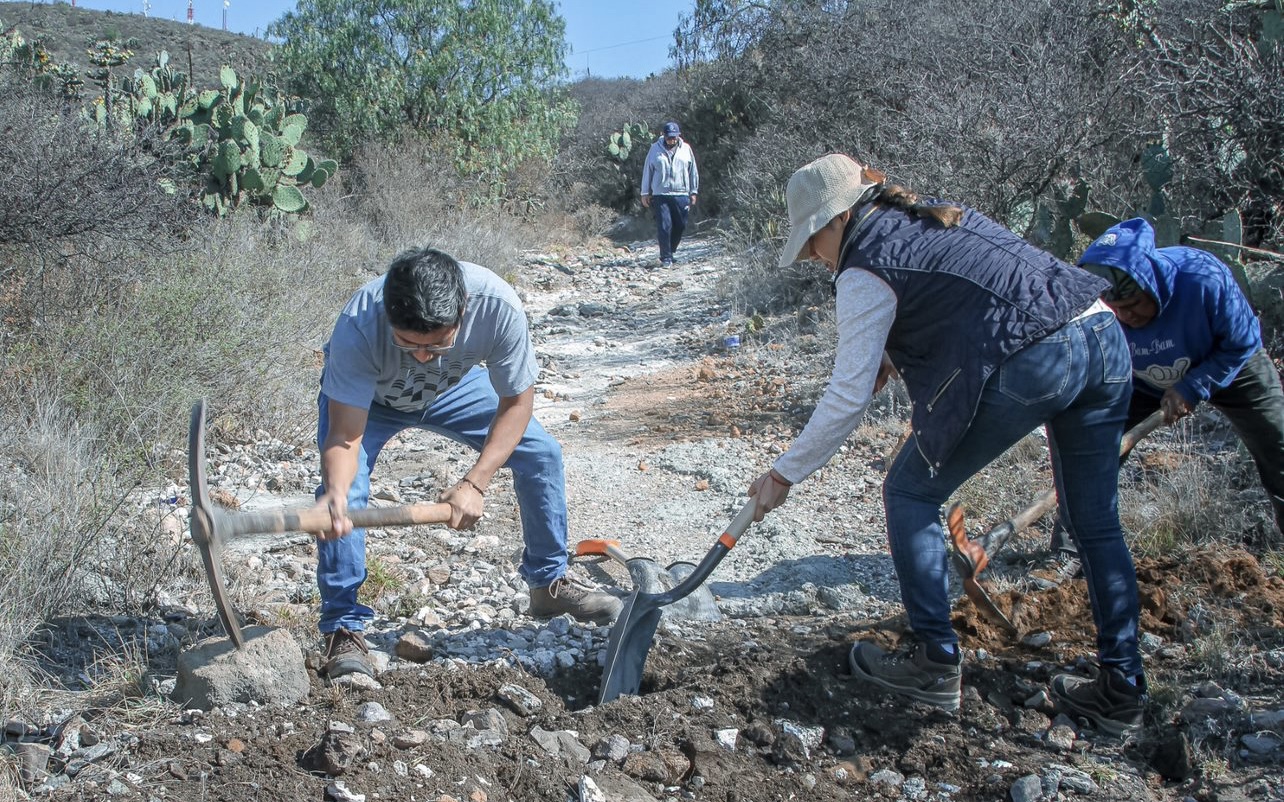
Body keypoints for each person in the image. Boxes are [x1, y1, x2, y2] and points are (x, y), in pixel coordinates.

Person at [746, 153, 1148, 735]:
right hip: (1102, 337)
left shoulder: (864, 265)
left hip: (1038, 358)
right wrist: (888, 355)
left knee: (909, 492)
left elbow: (845, 397)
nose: (813, 256)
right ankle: (1123, 689)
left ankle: (934, 660)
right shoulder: (929, 216)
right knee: (1097, 525)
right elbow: (972, 299)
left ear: (838, 219)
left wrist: (783, 473)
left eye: (812, 241)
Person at [312, 247, 621, 679]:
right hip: (372, 403)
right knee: (346, 492)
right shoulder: (358, 325)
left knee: (541, 452)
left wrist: (475, 483)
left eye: (437, 344)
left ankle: (548, 583)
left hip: (450, 391)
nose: (421, 355)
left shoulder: (498, 306)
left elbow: (516, 403)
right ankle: (342, 627)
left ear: (462, 311)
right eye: (408, 343)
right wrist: (337, 496)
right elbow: (345, 437)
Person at [1071, 218, 1284, 535]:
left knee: (1278, 445)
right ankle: (1072, 547)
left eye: (1132, 305)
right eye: (1116, 309)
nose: (1125, 317)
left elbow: (1238, 344)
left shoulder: (1202, 278)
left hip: (1227, 361)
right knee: (1093, 452)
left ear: (1151, 283)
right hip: (1141, 380)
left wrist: (1192, 385)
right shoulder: (1097, 308)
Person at [640, 121, 699, 267]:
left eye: (674, 137)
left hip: (681, 193)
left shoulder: (686, 149)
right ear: (663, 135)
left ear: (678, 136)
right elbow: (648, 171)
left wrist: (693, 191)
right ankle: (665, 257)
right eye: (668, 137)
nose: (671, 140)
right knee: (664, 226)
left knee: (680, 225)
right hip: (661, 194)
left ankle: (670, 250)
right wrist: (645, 193)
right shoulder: (655, 149)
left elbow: (693, 171)